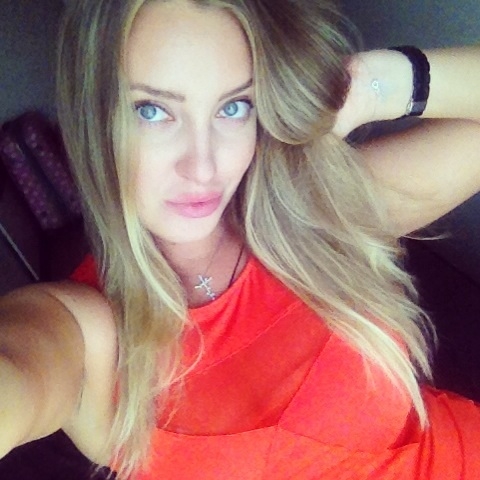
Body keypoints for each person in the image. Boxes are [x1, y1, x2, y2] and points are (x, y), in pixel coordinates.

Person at [1, 0, 480, 478]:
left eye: (233, 107)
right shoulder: (83, 332)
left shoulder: (313, 215)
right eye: (152, 111)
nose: (203, 167)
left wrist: (370, 84)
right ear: (94, 120)